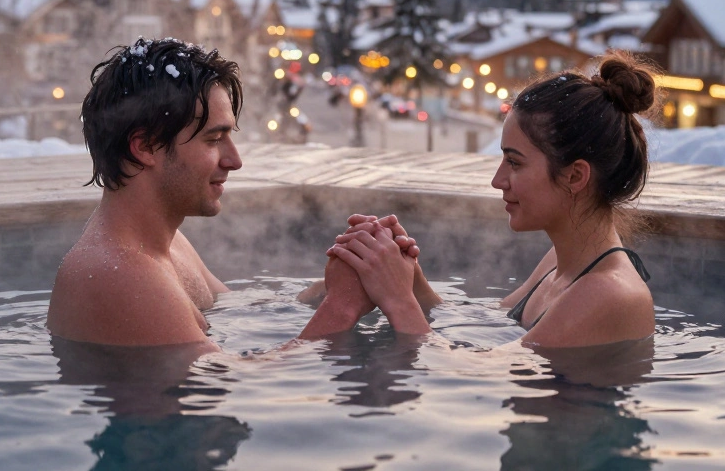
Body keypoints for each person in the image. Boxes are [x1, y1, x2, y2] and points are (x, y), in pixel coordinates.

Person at [46, 37, 409, 348]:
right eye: (214, 139)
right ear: (145, 147)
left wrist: (356, 277)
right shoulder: (117, 275)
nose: (235, 160)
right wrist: (343, 307)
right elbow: (241, 389)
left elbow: (244, 311)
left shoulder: (163, 246)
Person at [331, 52, 658, 348]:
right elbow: (486, 325)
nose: (497, 181)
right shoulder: (562, 263)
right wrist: (411, 282)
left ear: (575, 177)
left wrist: (397, 300)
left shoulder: (608, 293)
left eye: (514, 163)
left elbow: (477, 377)